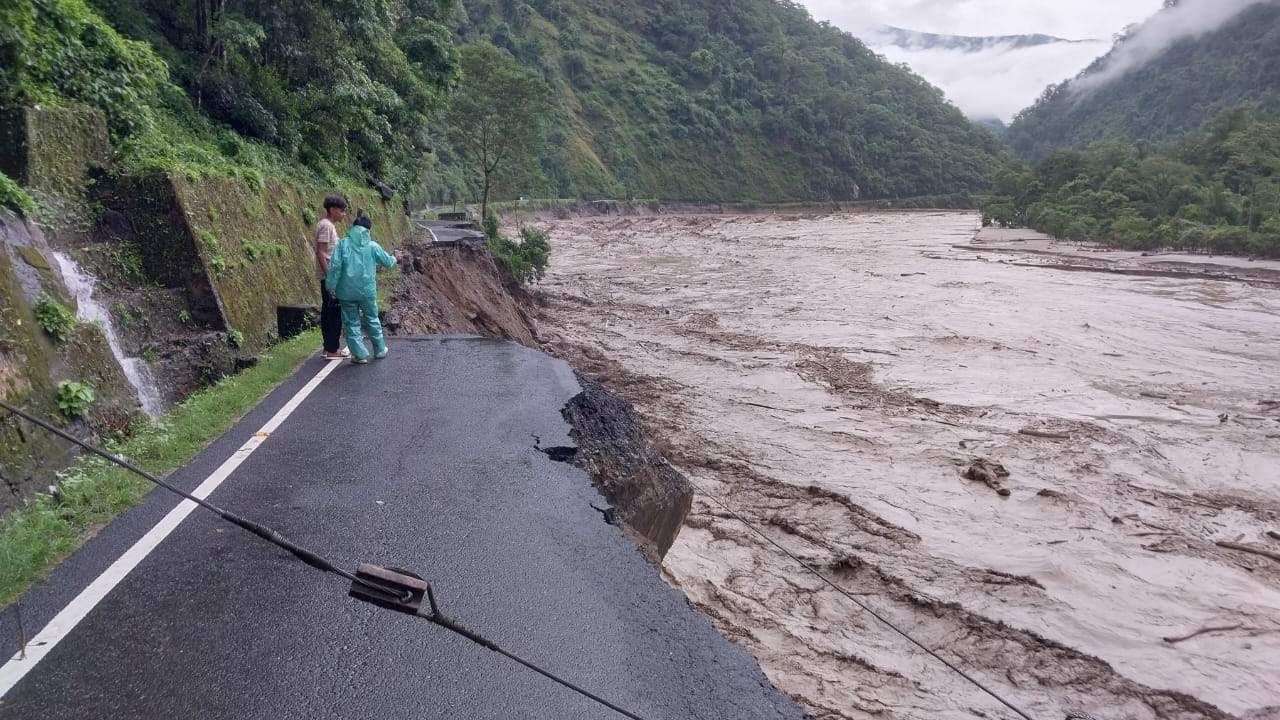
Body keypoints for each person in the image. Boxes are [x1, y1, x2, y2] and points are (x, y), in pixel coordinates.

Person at [324, 210, 397, 364]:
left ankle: (360, 355)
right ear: (368, 230)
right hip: (367, 292)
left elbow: (335, 267)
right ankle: (380, 350)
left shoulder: (343, 244)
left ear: (353, 228)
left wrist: (330, 285)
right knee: (372, 318)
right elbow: (388, 262)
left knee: (351, 322)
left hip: (346, 292)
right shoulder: (373, 246)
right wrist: (395, 258)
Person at [314, 195, 349, 359]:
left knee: (330, 310)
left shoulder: (329, 226)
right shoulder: (326, 226)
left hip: (332, 277)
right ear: (333, 210)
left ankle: (329, 347)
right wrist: (330, 277)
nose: (344, 214)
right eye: (342, 211)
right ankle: (332, 350)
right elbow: (321, 252)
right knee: (333, 312)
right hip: (330, 278)